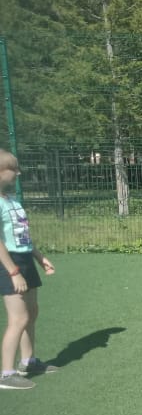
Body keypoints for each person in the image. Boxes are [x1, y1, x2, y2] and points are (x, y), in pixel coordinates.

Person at [0, 150, 57, 390]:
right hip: (9, 263)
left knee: (31, 313)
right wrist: (13, 271)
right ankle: (6, 374)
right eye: (14, 169)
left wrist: (40, 257)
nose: (19, 173)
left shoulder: (12, 200)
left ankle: (28, 362)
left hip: (25, 259)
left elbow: (23, 235)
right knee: (18, 318)